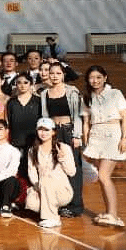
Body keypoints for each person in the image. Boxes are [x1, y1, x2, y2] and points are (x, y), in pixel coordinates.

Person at [82, 65, 126, 228]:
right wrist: (87, 142)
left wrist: (124, 138)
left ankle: (114, 215)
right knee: (101, 178)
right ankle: (109, 212)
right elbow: (86, 122)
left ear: (105, 77)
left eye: (98, 77)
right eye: (91, 78)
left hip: (112, 134)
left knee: (104, 176)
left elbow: (125, 118)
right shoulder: (87, 97)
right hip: (96, 136)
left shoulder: (115, 93)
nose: (95, 81)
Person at [39, 62, 84, 218]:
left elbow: (77, 116)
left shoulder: (72, 91)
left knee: (73, 168)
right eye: (52, 73)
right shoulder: (45, 93)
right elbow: (45, 116)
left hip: (69, 131)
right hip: (53, 132)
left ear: (63, 74)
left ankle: (75, 206)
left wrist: (77, 135)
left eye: (58, 73)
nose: (54, 76)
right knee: (55, 167)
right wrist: (46, 133)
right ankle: (59, 203)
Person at [26, 118, 75, 228]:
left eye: (46, 130)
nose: (43, 133)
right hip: (42, 188)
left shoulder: (64, 148)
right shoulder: (33, 150)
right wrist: (38, 187)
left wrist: (63, 159)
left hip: (62, 191)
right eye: (40, 129)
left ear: (53, 132)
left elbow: (72, 172)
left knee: (47, 179)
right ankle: (51, 210)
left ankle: (52, 218)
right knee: (31, 202)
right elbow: (32, 172)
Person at [5, 72, 41, 180]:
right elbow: (9, 123)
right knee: (18, 172)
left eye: (26, 82)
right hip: (16, 142)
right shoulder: (11, 102)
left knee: (33, 171)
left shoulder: (38, 101)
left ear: (31, 84)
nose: (22, 85)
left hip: (34, 142)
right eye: (19, 83)